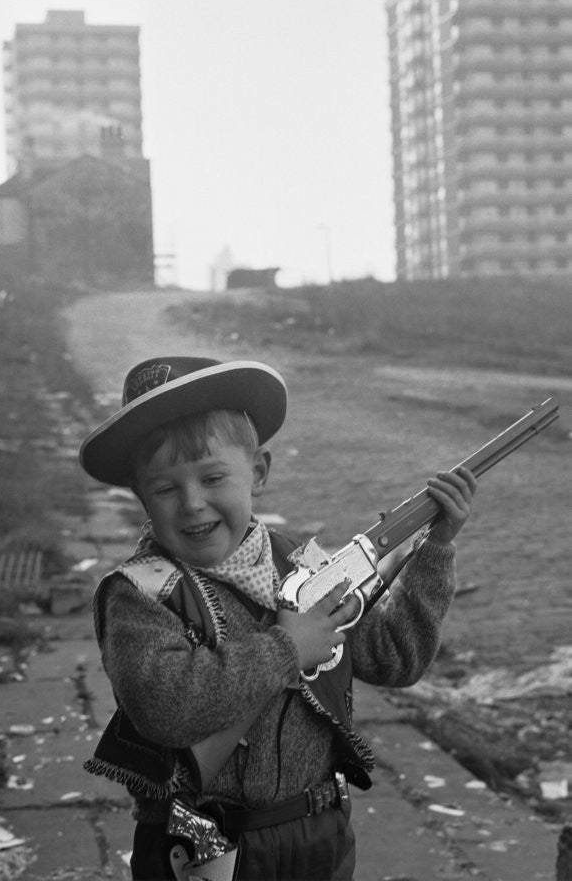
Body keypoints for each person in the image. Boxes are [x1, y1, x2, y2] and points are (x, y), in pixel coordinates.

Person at [78, 356, 477, 881]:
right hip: (201, 850)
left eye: (213, 477)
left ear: (259, 472)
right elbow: (166, 709)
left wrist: (435, 548)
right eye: (166, 489)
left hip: (320, 836)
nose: (192, 503)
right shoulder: (139, 594)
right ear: (141, 497)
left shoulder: (301, 563)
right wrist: (286, 649)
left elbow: (396, 658)